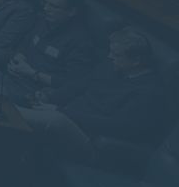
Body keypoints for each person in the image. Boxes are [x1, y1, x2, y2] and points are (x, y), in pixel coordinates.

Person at [18, 26, 166, 159]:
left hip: (89, 136)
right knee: (26, 100)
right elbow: (79, 85)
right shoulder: (111, 67)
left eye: (116, 54)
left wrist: (62, 112)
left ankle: (3, 111)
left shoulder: (149, 92)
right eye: (110, 52)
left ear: (136, 61)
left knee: (54, 120)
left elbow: (117, 127)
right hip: (66, 113)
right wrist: (50, 98)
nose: (109, 57)